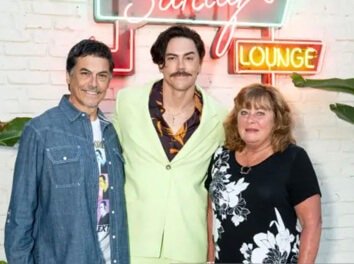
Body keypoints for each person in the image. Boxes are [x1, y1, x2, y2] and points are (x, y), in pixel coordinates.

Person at [5, 39, 129, 264]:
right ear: (68, 77)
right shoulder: (41, 131)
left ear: (109, 80)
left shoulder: (110, 133)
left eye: (102, 75)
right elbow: (20, 218)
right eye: (85, 73)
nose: (93, 83)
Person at [112, 25, 227, 264]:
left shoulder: (220, 118)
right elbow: (108, 167)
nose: (181, 66)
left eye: (189, 58)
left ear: (199, 63)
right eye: (172, 58)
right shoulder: (127, 103)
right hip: (134, 241)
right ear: (161, 63)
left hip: (188, 246)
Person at [205, 83, 322, 263]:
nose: (251, 120)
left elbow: (312, 224)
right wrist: (210, 259)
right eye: (244, 112)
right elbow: (212, 212)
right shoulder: (221, 157)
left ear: (276, 120)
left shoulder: (293, 158)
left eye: (260, 113)